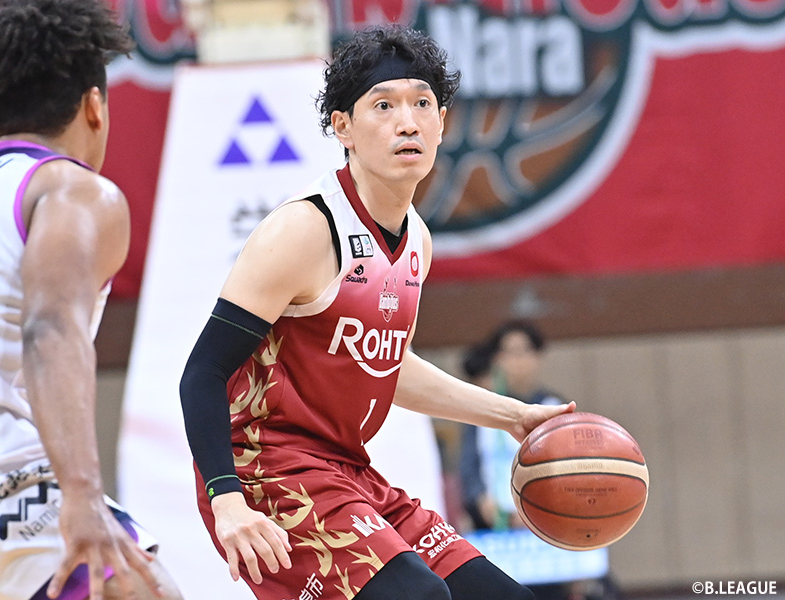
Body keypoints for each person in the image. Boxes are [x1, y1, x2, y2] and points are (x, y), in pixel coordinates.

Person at [179, 24, 575, 600]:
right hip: (263, 469)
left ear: (442, 122)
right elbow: (203, 373)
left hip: (345, 470)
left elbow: (388, 367)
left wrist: (512, 415)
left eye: (421, 104)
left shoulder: (416, 239)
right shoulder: (305, 230)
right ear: (342, 127)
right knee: (419, 596)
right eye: (383, 105)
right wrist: (227, 500)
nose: (407, 122)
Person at [0, 1, 183, 599]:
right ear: (95, 107)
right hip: (10, 481)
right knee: (143, 589)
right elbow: (49, 327)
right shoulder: (73, 191)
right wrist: (81, 492)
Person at [459, 320, 567, 532]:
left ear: (538, 356)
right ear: (497, 359)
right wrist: (480, 501)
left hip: (545, 522)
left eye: (524, 351)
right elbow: (468, 464)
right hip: (494, 524)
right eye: (509, 352)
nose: (518, 361)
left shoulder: (554, 406)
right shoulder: (484, 407)